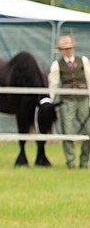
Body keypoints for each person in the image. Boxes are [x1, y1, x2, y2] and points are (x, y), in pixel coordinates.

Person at [47, 34, 90, 169]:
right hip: (67, 101)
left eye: (70, 48)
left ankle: (84, 161)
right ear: (61, 50)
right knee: (68, 131)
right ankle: (70, 163)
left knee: (88, 131)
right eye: (65, 48)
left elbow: (89, 79)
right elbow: (53, 84)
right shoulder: (57, 65)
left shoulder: (82, 61)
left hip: (83, 99)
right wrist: (51, 101)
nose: (68, 50)